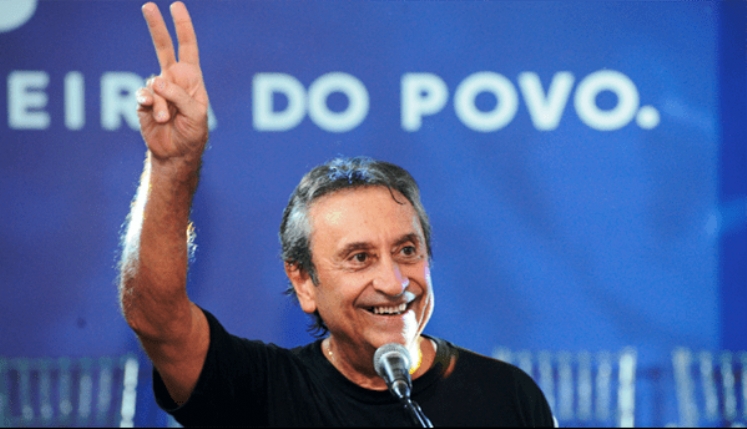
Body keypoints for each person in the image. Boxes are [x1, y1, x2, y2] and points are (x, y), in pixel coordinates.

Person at [119, 1, 554, 426]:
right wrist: (173, 165)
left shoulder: (508, 396)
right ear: (304, 282)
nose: (394, 283)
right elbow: (156, 320)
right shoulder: (263, 391)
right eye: (360, 257)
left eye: (407, 251)